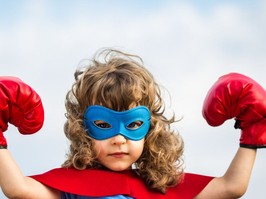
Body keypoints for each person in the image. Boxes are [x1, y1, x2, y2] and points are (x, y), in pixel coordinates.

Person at [0, 48, 264, 199]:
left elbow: (231, 187)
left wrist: (253, 131)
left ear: (150, 129)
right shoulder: (73, 189)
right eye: (103, 125)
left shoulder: (161, 191)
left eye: (133, 124)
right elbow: (17, 188)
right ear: (83, 130)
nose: (119, 138)